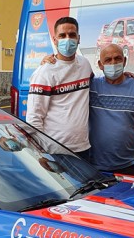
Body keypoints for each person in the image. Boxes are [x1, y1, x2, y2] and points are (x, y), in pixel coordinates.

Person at [26, 17, 92, 159]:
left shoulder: (85, 65)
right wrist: (42, 153)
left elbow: (98, 83)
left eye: (72, 35)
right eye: (62, 36)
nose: (67, 40)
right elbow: (34, 118)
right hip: (56, 151)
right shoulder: (44, 72)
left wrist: (125, 76)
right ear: (54, 40)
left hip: (83, 147)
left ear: (78, 38)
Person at [88, 43, 134, 178]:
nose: (113, 63)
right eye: (108, 60)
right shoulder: (91, 86)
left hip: (129, 165)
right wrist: (48, 61)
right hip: (95, 166)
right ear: (100, 65)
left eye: (117, 58)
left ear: (124, 61)